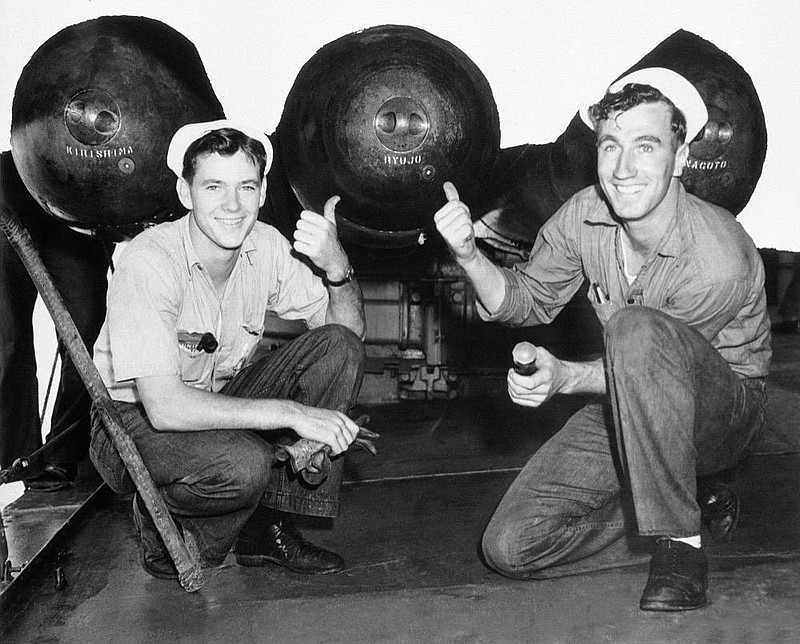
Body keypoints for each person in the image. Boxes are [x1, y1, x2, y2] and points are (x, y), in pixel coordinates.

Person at [433, 68, 770, 611]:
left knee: (635, 329)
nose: (623, 168)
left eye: (646, 145)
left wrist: (564, 376)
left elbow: (658, 368)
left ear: (680, 159)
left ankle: (680, 549)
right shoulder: (585, 216)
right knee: (510, 547)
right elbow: (524, 302)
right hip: (621, 398)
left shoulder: (717, 258)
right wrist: (469, 255)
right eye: (610, 146)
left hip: (720, 412)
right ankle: (691, 506)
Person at [89, 120, 366, 580]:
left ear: (261, 193)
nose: (233, 205)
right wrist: (293, 413)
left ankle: (266, 528)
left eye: (246, 186)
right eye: (214, 186)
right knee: (243, 463)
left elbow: (348, 337)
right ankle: (166, 528)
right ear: (185, 191)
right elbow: (164, 408)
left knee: (338, 349)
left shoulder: (267, 247)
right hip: (128, 419)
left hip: (217, 398)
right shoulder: (149, 259)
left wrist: (337, 267)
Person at [0, 150, 112, 491]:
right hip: (15, 180)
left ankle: (57, 456)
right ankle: (19, 458)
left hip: (80, 195)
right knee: (8, 337)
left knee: (84, 329)